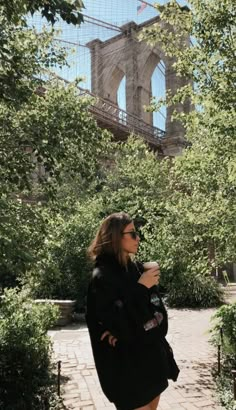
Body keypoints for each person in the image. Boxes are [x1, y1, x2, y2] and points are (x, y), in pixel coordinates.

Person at [86, 212, 179, 410]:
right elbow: (114, 320)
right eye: (133, 234)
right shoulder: (102, 276)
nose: (139, 238)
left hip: (152, 363)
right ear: (116, 237)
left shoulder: (135, 269)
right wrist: (140, 289)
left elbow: (155, 312)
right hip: (128, 372)